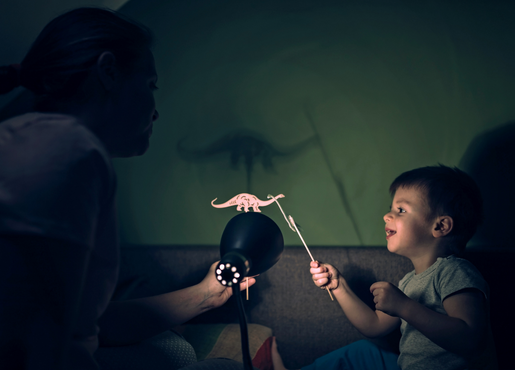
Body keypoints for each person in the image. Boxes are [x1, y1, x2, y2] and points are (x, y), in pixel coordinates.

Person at [0, 7, 255, 370]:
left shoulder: (42, 141)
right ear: (108, 71)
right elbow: (37, 344)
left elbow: (85, 322)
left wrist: (206, 295)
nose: (155, 110)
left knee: (174, 350)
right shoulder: (64, 148)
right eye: (150, 85)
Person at [271, 165, 497, 370]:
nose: (386, 215)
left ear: (440, 226)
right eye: (392, 208)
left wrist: (405, 307)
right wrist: (339, 286)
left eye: (401, 210)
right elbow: (374, 325)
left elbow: (470, 339)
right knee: (362, 352)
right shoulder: (409, 281)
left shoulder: (455, 272)